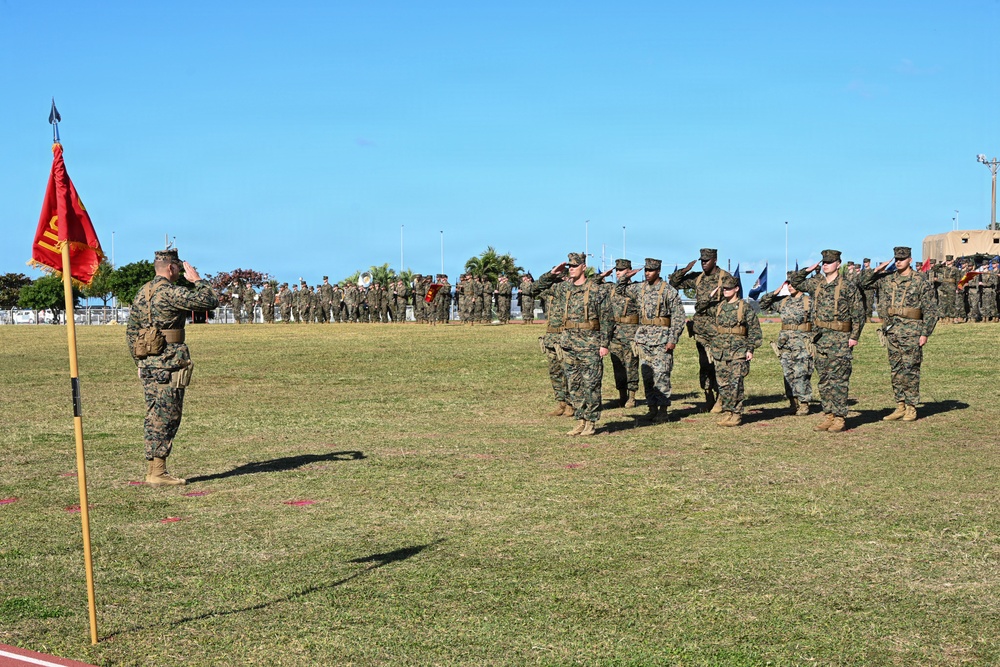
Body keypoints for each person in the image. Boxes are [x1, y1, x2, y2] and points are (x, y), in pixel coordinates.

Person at [125, 248, 219, 485]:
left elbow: (131, 331)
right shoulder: (169, 292)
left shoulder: (142, 293)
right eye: (178, 267)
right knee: (167, 415)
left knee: (153, 414)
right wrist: (197, 280)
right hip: (167, 362)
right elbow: (210, 301)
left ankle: (153, 469)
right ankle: (158, 472)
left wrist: (139, 361)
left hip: (148, 361)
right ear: (171, 268)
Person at [532, 253, 613, 435]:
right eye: (570, 266)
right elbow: (535, 289)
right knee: (574, 385)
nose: (572, 269)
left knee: (591, 385)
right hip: (568, 344)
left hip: (590, 344)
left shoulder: (596, 290)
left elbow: (607, 319)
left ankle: (591, 422)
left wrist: (604, 344)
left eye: (575, 266)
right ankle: (581, 420)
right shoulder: (564, 288)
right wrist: (552, 274)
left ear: (584, 267)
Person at [789, 249, 865, 433]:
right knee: (824, 379)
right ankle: (828, 414)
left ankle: (839, 417)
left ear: (838, 264)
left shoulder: (847, 286)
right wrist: (808, 270)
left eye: (829, 262)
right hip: (821, 338)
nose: (825, 265)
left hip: (840, 338)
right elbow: (795, 282)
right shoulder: (817, 283)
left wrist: (854, 337)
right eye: (823, 262)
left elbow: (858, 314)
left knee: (838, 379)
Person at [863, 247, 938, 422]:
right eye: (896, 258)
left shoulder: (920, 281)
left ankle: (911, 407)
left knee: (910, 369)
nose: (898, 262)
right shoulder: (887, 279)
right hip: (892, 331)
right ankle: (900, 405)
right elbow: (863, 283)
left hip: (912, 331)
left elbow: (931, 310)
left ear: (910, 260)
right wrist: (877, 270)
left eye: (902, 259)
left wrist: (925, 333)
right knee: (896, 370)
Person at [616, 258, 687, 421]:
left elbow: (678, 316)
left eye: (651, 270)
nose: (648, 273)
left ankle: (663, 410)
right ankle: (652, 407)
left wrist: (673, 339)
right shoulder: (639, 288)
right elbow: (620, 291)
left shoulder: (668, 291)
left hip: (662, 339)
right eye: (646, 270)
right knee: (647, 375)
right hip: (644, 339)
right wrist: (625, 276)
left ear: (658, 271)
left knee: (661, 374)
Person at [669, 248, 732, 412]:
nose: (704, 263)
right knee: (704, 364)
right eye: (702, 260)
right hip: (701, 330)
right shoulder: (698, 278)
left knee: (720, 364)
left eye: (707, 260)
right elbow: (673, 283)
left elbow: (734, 304)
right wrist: (684, 270)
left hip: (719, 329)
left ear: (715, 260)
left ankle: (721, 398)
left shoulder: (725, 278)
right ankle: (708, 396)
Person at [759, 272, 815, 416]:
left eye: (793, 283)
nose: (790, 287)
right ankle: (793, 402)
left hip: (803, 342)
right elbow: (763, 303)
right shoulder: (783, 301)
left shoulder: (809, 301)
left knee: (801, 373)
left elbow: (818, 322)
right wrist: (777, 290)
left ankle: (804, 403)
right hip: (785, 343)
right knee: (788, 373)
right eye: (788, 284)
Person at [709, 274, 762, 426]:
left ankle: (736, 414)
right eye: (724, 288)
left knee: (736, 383)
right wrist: (712, 295)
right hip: (720, 351)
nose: (725, 291)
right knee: (723, 384)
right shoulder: (719, 306)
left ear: (736, 289)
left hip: (738, 351)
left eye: (729, 288)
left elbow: (754, 330)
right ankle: (727, 412)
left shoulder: (744, 307)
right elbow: (701, 307)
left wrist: (750, 349)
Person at [605, 259, 641, 408]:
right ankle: (621, 394)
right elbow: (593, 283)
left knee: (631, 364)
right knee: (617, 365)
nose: (618, 273)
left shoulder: (636, 288)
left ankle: (632, 396)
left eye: (622, 270)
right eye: (617, 271)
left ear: (629, 270)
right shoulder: (611, 288)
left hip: (631, 331)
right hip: (615, 332)